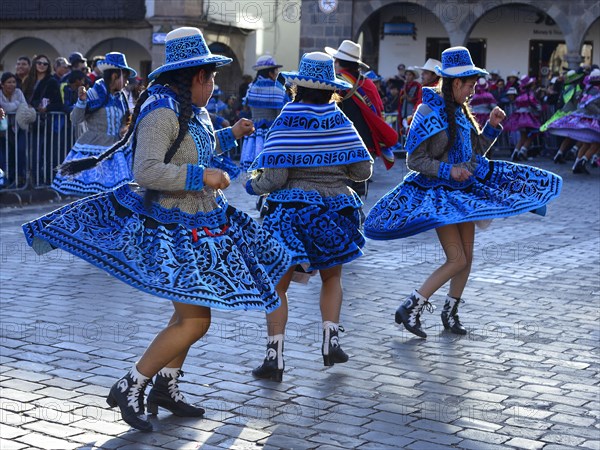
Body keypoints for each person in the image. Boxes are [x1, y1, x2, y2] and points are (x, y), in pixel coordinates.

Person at [22, 26, 291, 432]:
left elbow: (189, 147)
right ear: (196, 76)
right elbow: (146, 170)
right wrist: (203, 176)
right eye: (212, 77)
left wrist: (230, 136)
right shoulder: (161, 110)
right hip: (172, 227)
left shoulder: (190, 110)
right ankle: (132, 382)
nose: (214, 84)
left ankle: (165, 385)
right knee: (196, 320)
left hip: (200, 223)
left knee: (190, 315)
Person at [364, 47, 562, 338]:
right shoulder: (427, 111)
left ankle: (450, 313)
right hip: (438, 196)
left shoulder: (461, 113)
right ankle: (411, 306)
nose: (472, 92)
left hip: (464, 194)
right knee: (456, 259)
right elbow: (414, 160)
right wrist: (449, 171)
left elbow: (474, 154)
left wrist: (492, 129)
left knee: (467, 258)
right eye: (469, 86)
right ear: (455, 83)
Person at [245, 52, 373, 381]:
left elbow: (274, 178)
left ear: (297, 86)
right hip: (335, 211)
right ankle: (331, 341)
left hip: (290, 214)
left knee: (278, 286)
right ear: (330, 88)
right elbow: (363, 169)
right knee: (332, 279)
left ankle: (274, 357)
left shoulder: (288, 118)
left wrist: (251, 185)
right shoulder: (338, 118)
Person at [51, 52, 134, 196]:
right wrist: (81, 101)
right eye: (125, 77)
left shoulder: (122, 97)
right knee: (92, 195)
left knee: (117, 193)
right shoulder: (94, 93)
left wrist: (124, 128)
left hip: (114, 149)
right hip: (94, 147)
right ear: (115, 76)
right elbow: (76, 119)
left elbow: (124, 120)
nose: (127, 82)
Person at [325, 39, 398, 172]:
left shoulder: (335, 82)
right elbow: (379, 109)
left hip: (341, 143)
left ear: (338, 61)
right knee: (360, 186)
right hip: (366, 143)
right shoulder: (368, 84)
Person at [239, 54, 287, 170]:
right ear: (270, 73)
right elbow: (280, 116)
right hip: (270, 135)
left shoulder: (251, 88)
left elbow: (246, 109)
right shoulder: (278, 90)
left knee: (253, 170)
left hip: (254, 133)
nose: (276, 74)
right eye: (275, 72)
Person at [503, 75, 542, 161]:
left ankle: (516, 153)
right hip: (528, 117)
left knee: (523, 136)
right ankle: (522, 151)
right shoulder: (530, 95)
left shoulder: (520, 96)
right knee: (532, 134)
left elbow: (517, 104)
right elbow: (536, 105)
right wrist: (539, 109)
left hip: (519, 117)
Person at [0, 72, 28, 185]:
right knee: (5, 156)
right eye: (8, 82)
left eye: (13, 82)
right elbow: (4, 107)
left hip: (17, 128)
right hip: (2, 131)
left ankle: (18, 178)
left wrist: (13, 106)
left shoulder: (18, 92)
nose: (11, 85)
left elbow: (24, 107)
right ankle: (5, 180)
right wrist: (17, 104)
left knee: (20, 152)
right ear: (2, 84)